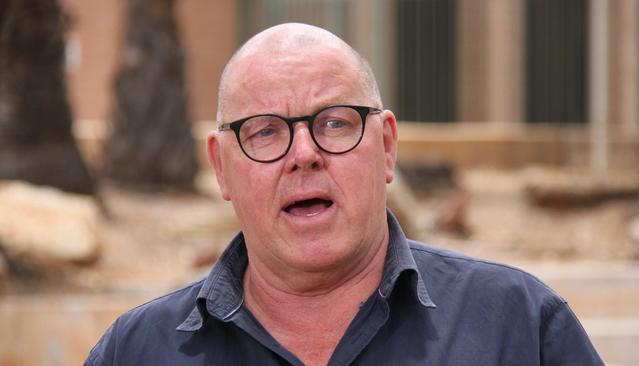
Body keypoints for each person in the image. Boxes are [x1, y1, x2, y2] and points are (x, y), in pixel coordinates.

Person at [85, 23, 604, 366]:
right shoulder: (136, 351)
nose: (304, 153)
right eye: (265, 131)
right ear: (222, 168)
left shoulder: (520, 327)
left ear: (387, 146)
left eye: (335, 123)